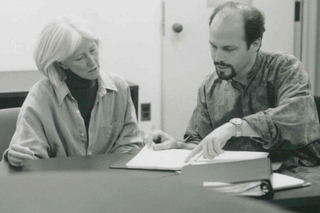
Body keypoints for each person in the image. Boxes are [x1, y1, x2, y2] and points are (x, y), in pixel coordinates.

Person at [145, 1, 320, 170]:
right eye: (213, 46)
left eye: (228, 49)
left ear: (255, 44)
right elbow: (202, 142)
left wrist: (234, 127)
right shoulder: (210, 85)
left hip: (296, 174)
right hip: (238, 178)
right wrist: (177, 146)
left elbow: (298, 118)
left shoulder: (284, 68)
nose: (217, 57)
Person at [4, 15, 142, 167]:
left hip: (109, 181)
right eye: (79, 58)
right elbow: (29, 156)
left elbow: (130, 147)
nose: (92, 61)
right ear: (62, 63)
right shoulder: (41, 97)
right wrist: (19, 157)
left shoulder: (119, 88)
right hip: (59, 185)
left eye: (93, 50)